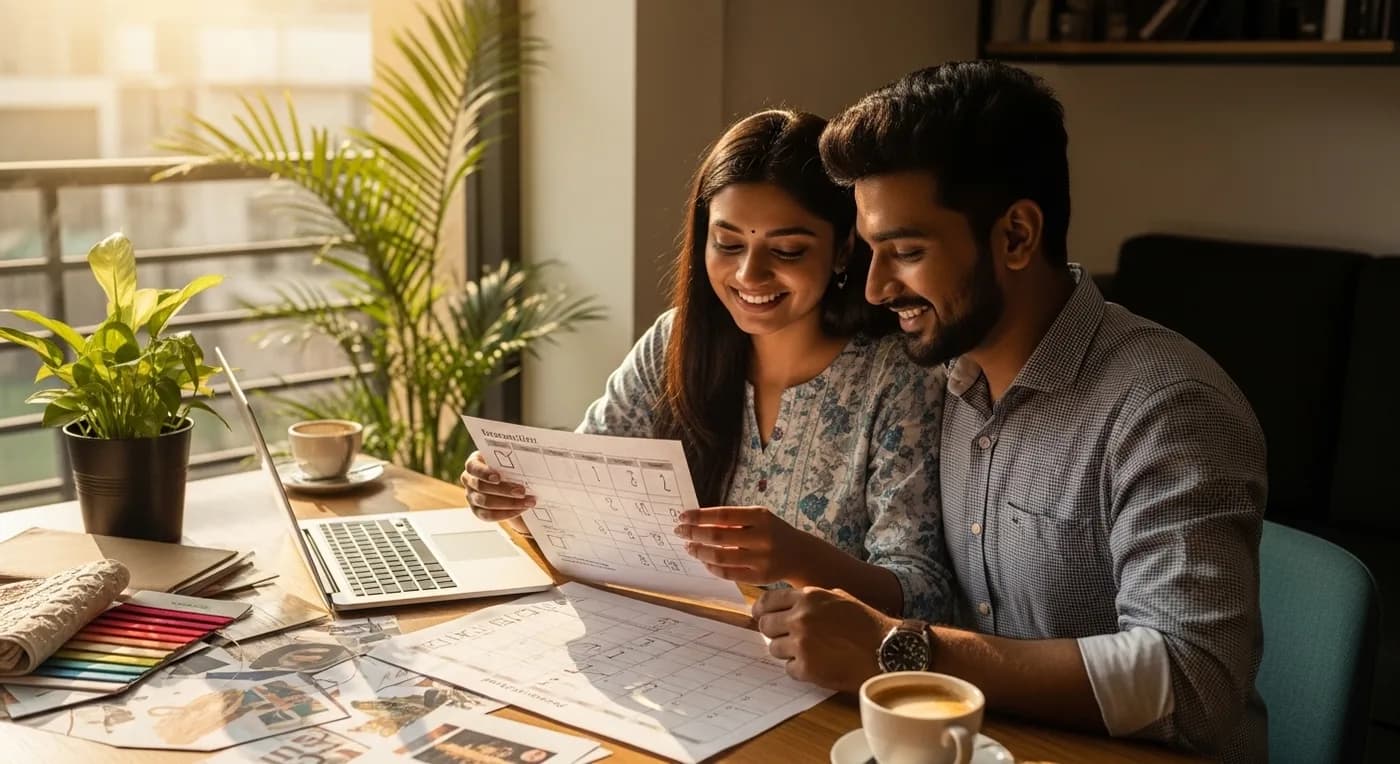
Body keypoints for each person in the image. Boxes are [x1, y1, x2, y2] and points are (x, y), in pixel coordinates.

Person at [752, 62, 1267, 761]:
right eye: (870, 252)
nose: (875, 287)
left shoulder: (1168, 408)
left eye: (905, 251)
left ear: (1018, 236)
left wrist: (894, 646)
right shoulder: (950, 379)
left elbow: (1192, 681)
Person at [462, 109, 953, 622]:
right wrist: (517, 500)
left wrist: (801, 558)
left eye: (786, 249)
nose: (749, 273)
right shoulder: (674, 342)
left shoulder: (897, 379)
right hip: (676, 651)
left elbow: (925, 593)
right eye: (728, 243)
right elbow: (583, 499)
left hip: (824, 684)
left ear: (842, 249)